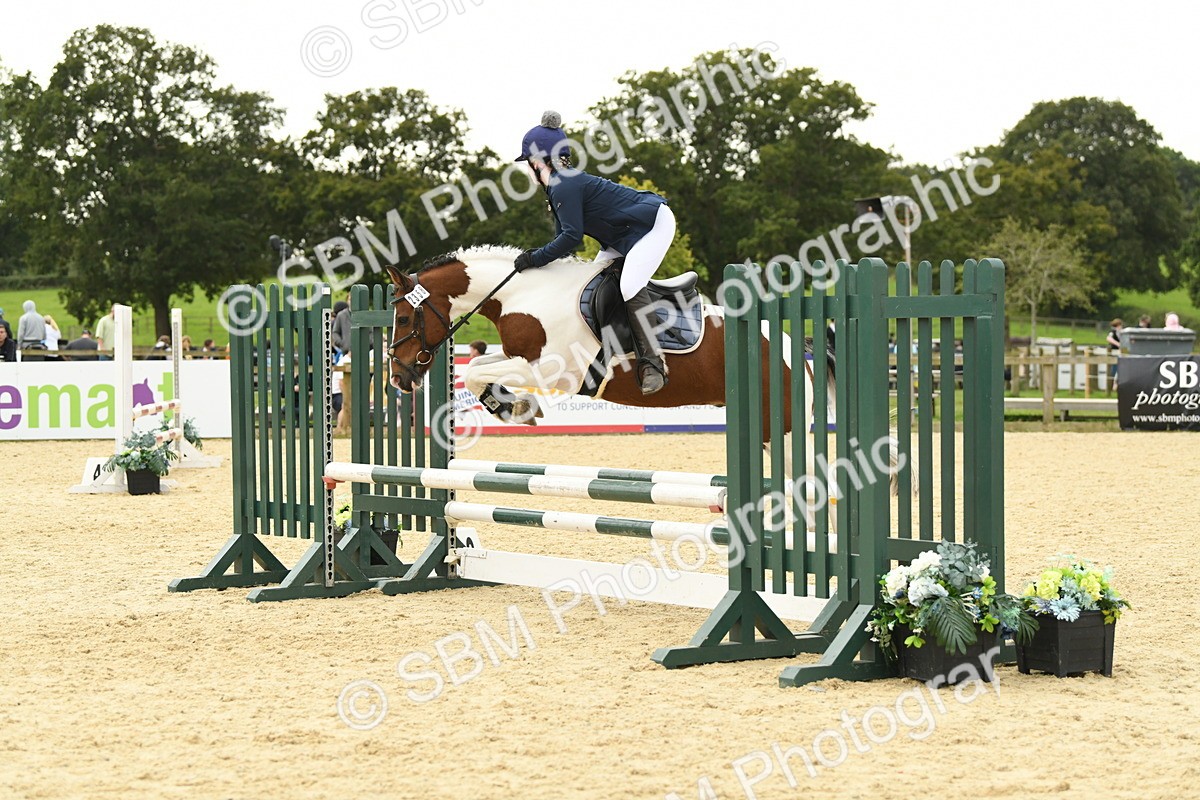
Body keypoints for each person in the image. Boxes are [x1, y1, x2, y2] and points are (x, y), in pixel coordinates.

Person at [512, 111, 675, 395]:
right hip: (621, 236)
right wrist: (541, 265)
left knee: (629, 285)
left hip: (652, 225)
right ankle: (601, 356)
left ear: (538, 161)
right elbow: (561, 238)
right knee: (590, 285)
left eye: (528, 163)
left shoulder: (564, 185)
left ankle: (653, 364)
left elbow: (571, 238)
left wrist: (534, 259)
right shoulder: (556, 188)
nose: (528, 170)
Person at [1106, 318, 1123, 386]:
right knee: (1114, 368)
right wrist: (1118, 344)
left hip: (1120, 352)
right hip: (1114, 351)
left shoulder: (1121, 332)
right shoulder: (1113, 331)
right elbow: (1109, 338)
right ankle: (1112, 383)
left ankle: (1116, 383)